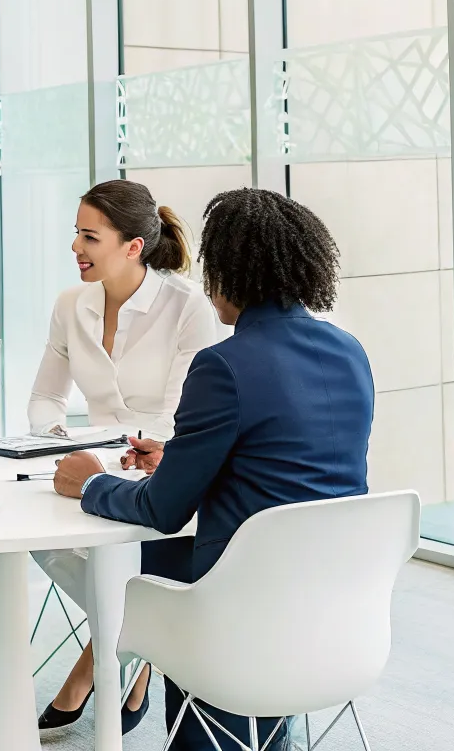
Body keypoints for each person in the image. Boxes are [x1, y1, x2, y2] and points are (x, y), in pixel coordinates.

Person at [51, 187, 373, 751]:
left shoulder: (223, 364)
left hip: (240, 615)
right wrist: (176, 458)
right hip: (341, 611)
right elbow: (285, 466)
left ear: (231, 274)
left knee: (125, 573)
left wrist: (91, 484)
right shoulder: (349, 351)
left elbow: (163, 509)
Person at [28, 180, 218, 735]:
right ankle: (138, 651)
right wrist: (63, 438)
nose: (75, 248)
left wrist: (110, 452)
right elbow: (44, 398)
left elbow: (183, 416)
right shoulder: (71, 305)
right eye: (76, 234)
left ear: (133, 246)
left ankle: (92, 673)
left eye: (90, 237)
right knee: (36, 536)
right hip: (90, 462)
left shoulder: (187, 307)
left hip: (161, 469)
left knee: (135, 564)